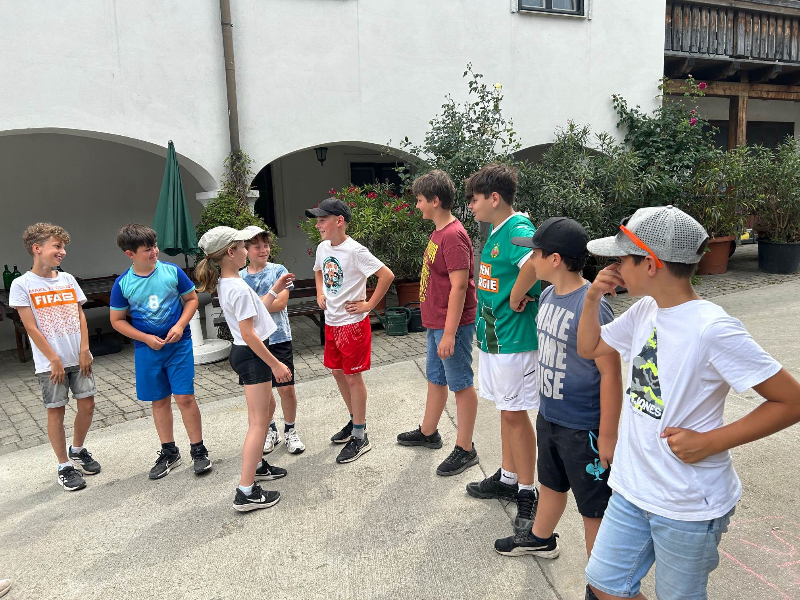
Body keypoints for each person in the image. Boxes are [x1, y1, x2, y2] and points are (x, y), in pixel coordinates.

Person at [577, 205, 800, 600]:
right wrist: (592, 296)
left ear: (651, 264)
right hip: (633, 487)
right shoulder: (645, 310)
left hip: (688, 504)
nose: (614, 267)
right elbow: (590, 347)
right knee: (604, 583)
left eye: (622, 259)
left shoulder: (712, 329)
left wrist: (711, 441)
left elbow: (791, 400)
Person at [494, 217, 622, 600]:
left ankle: (600, 585)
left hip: (584, 427)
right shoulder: (548, 295)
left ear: (554, 260)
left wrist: (608, 435)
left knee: (593, 510)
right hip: (550, 415)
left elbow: (611, 373)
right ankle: (541, 537)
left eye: (534, 253)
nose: (530, 259)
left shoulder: (592, 306)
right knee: (550, 483)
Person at [464, 164, 541, 535]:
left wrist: (515, 295)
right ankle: (509, 477)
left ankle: (527, 491)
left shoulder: (518, 227)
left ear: (494, 198)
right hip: (495, 338)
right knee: (507, 411)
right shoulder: (497, 229)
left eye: (474, 199)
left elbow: (536, 263)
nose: (471, 206)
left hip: (514, 340)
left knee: (514, 414)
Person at [196, 226, 294, 512]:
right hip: (252, 355)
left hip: (246, 354)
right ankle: (246, 491)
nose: (246, 250)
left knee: (265, 411)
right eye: (242, 246)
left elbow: (256, 310)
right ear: (231, 252)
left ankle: (258, 466)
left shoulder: (230, 282)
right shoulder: (237, 287)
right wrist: (275, 363)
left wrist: (275, 288)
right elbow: (249, 333)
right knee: (258, 423)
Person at [110, 224, 211, 479]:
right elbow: (117, 320)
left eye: (154, 246)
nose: (154, 252)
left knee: (185, 397)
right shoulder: (123, 284)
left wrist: (180, 325)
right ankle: (169, 452)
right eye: (147, 249)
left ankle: (198, 450)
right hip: (147, 350)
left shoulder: (172, 271)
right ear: (130, 254)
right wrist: (145, 338)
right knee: (159, 400)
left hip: (179, 345)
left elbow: (192, 300)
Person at [396, 170, 480, 476]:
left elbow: (460, 287)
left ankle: (466, 448)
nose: (417, 205)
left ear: (435, 200)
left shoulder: (453, 236)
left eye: (419, 199)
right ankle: (428, 432)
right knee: (436, 378)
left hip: (451, 326)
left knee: (461, 384)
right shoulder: (439, 232)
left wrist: (449, 334)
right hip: (437, 323)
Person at [9, 223, 100, 491]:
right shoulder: (22, 284)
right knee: (56, 410)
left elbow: (80, 315)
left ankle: (77, 449)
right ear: (37, 248)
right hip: (50, 363)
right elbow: (30, 327)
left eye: (63, 247)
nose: (62, 252)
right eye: (57, 246)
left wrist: (84, 349)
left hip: (79, 357)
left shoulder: (68, 279)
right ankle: (64, 466)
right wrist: (54, 360)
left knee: (87, 405)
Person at [306, 197, 394, 463]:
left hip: (352, 324)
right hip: (332, 322)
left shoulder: (356, 251)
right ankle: (355, 420)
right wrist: (320, 292)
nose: (318, 225)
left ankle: (360, 435)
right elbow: (319, 271)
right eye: (318, 220)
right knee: (337, 372)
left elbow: (386, 275)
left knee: (353, 377)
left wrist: (368, 305)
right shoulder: (323, 247)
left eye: (322, 220)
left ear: (339, 221)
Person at [240, 226, 305, 455]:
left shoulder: (279, 271)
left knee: (286, 388)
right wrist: (266, 299)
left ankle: (290, 430)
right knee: (263, 393)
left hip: (279, 338)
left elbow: (280, 304)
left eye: (266, 245)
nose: (263, 250)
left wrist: (253, 303)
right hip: (253, 342)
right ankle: (270, 430)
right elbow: (243, 310)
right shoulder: (240, 277)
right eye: (257, 246)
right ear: (246, 249)